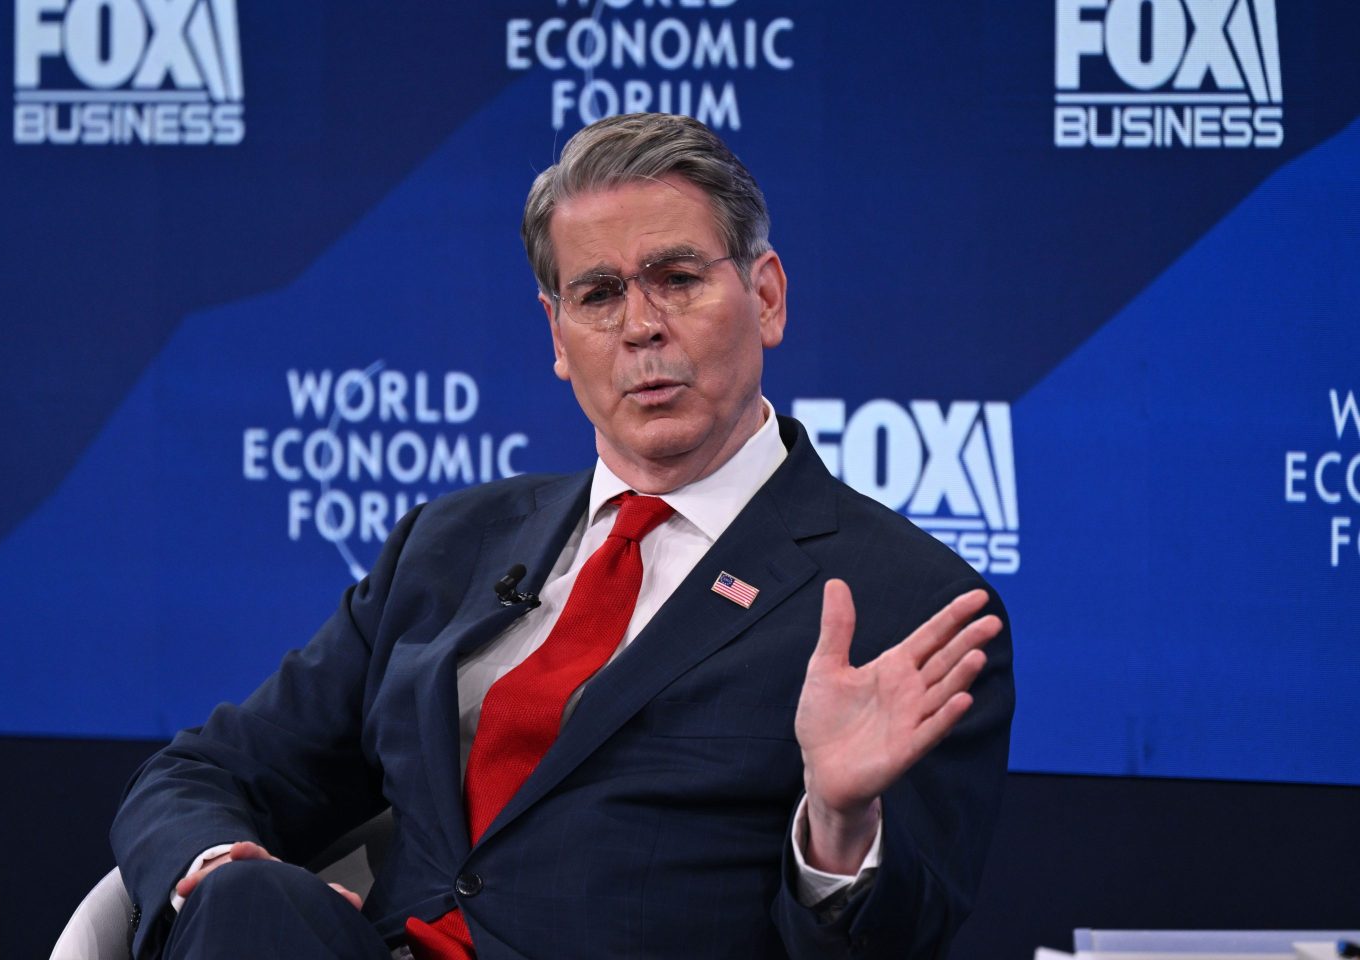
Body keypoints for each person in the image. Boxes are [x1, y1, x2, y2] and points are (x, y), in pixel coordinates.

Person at [112, 112, 1014, 960]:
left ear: (767, 297)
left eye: (679, 278)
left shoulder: (903, 603)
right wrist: (220, 867)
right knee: (249, 906)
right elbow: (202, 773)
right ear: (556, 333)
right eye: (598, 294)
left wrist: (838, 829)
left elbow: (899, 939)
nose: (641, 326)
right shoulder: (446, 545)